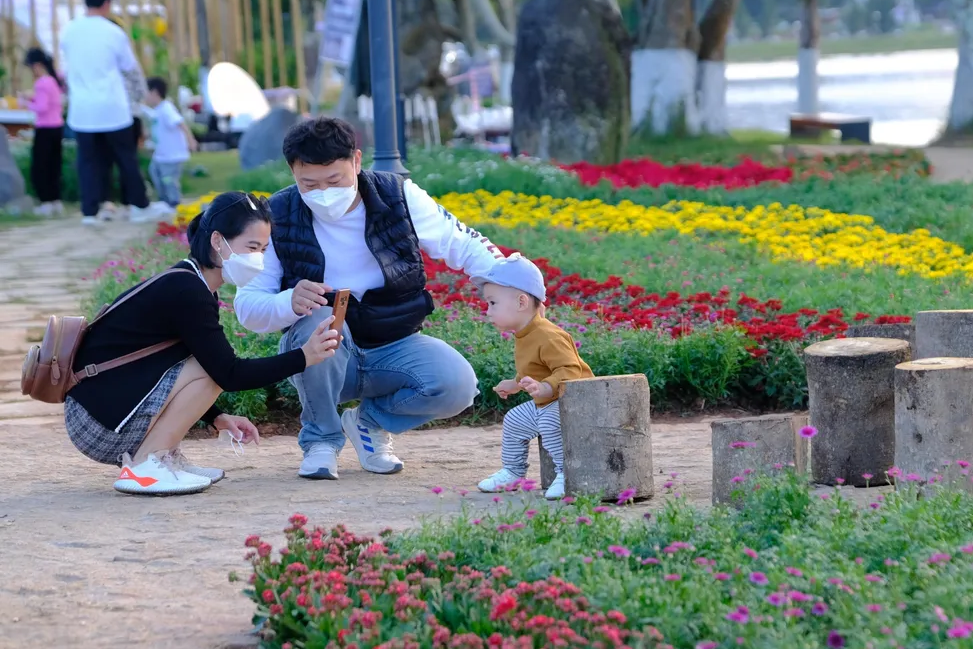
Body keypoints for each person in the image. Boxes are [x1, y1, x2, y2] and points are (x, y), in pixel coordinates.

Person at [234, 116, 504, 481]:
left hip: (393, 343)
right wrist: (288, 302)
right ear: (292, 173)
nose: (324, 194)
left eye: (335, 180)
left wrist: (509, 278)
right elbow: (247, 307)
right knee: (320, 320)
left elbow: (463, 244)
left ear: (357, 161)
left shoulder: (399, 196)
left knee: (457, 384)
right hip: (322, 358)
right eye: (308, 184)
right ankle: (321, 441)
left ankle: (368, 424)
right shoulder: (276, 215)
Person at [65, 191, 341, 496]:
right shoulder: (188, 289)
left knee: (209, 365)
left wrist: (216, 417)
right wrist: (303, 356)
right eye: (251, 247)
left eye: (263, 249)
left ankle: (165, 457)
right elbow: (229, 373)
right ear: (218, 241)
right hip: (97, 424)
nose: (258, 259)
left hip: (105, 412)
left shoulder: (192, 283)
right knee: (215, 369)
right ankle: (147, 464)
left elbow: (179, 367)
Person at [472, 255, 594, 499]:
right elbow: (534, 370)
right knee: (515, 420)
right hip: (549, 400)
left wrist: (546, 387)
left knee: (548, 422)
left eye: (493, 303)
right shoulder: (525, 334)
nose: (488, 311)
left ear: (521, 302)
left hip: (576, 401)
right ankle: (513, 471)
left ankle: (566, 472)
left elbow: (570, 370)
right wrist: (516, 384)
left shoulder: (549, 335)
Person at [59, 0, 156, 225]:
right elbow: (127, 66)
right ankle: (138, 205)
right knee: (125, 157)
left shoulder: (69, 31)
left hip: (82, 108)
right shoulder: (113, 32)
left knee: (88, 160)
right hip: (112, 107)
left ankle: (90, 211)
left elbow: (65, 67)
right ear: (107, 3)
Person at [19, 48, 64, 217]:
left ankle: (45, 202)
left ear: (37, 66)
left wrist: (25, 103)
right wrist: (32, 97)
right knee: (54, 165)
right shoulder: (56, 79)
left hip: (44, 128)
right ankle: (55, 201)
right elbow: (51, 102)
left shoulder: (41, 83)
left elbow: (42, 108)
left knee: (40, 167)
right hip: (57, 127)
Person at [143, 76, 197, 212]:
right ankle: (164, 201)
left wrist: (191, 140)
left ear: (154, 92)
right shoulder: (157, 111)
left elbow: (181, 123)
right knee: (154, 172)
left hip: (172, 155)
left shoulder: (167, 108)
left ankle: (174, 203)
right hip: (161, 154)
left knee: (168, 179)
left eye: (146, 92)